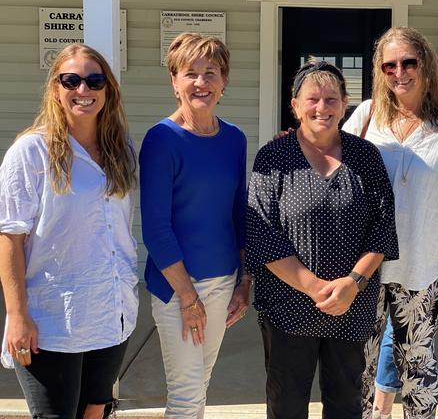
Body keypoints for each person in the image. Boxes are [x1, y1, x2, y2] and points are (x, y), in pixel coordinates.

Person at [246, 60, 399, 419]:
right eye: (312, 99)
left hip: (351, 305)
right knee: (286, 405)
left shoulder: (365, 157)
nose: (322, 108)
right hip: (288, 308)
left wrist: (352, 283)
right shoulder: (274, 158)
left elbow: (382, 227)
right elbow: (262, 233)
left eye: (332, 99)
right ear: (295, 104)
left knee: (346, 404)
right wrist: (315, 287)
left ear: (345, 104)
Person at [343, 27, 438, 419]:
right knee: (358, 368)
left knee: (418, 372)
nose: (399, 71)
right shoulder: (366, 117)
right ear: (379, 70)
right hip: (365, 269)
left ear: (426, 64)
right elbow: (333, 173)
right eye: (390, 65)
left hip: (422, 269)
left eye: (408, 62)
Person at [0, 43, 138, 418]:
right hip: (52, 320)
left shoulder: (121, 150)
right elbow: (10, 236)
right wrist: (17, 315)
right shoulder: (31, 152)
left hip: (111, 312)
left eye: (94, 80)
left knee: (96, 410)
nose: (83, 90)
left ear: (107, 89)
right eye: (71, 80)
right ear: (55, 88)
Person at [139, 32, 250, 418]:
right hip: (177, 288)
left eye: (211, 72)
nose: (201, 82)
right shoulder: (161, 140)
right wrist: (188, 298)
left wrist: (244, 281)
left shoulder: (234, 139)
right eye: (190, 73)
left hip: (223, 283)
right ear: (174, 81)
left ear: (224, 81)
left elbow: (239, 213)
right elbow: (155, 227)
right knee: (186, 397)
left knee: (198, 388)